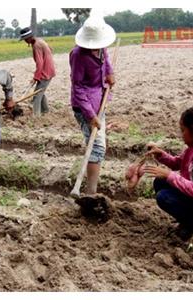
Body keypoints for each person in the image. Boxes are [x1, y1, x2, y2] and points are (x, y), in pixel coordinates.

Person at [69, 14, 116, 194]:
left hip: (100, 101)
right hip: (85, 107)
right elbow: (78, 87)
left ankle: (91, 191)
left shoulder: (101, 46)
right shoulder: (78, 55)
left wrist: (110, 74)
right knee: (96, 147)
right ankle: (90, 193)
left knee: (98, 146)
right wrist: (91, 115)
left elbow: (107, 60)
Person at [19, 27, 56, 116]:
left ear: (29, 37)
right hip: (49, 70)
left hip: (45, 72)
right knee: (40, 92)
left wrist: (36, 77)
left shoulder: (36, 45)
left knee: (36, 95)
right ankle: (45, 110)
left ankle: (36, 115)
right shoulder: (40, 40)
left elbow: (40, 63)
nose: (25, 41)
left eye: (25, 39)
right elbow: (51, 49)